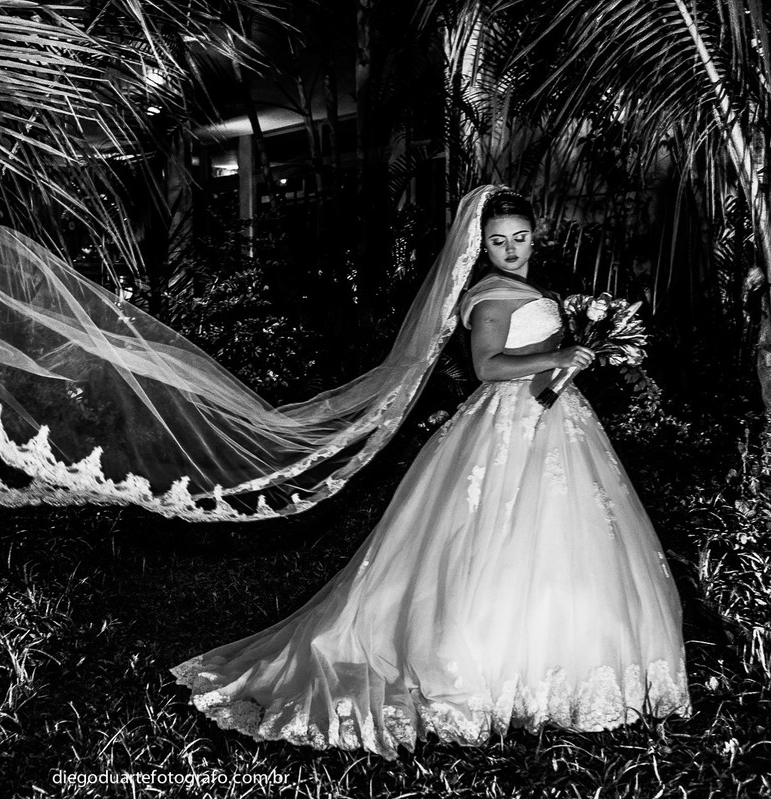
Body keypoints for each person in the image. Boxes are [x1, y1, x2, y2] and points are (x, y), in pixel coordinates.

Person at [170, 188, 691, 757]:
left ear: (535, 236)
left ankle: (566, 662)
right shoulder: (490, 298)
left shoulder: (529, 289)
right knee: (501, 534)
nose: (511, 250)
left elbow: (532, 349)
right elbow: (488, 366)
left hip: (552, 417)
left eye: (520, 238)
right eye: (497, 241)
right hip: (510, 422)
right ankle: (486, 665)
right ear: (481, 246)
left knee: (566, 536)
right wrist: (559, 357)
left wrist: (579, 350)